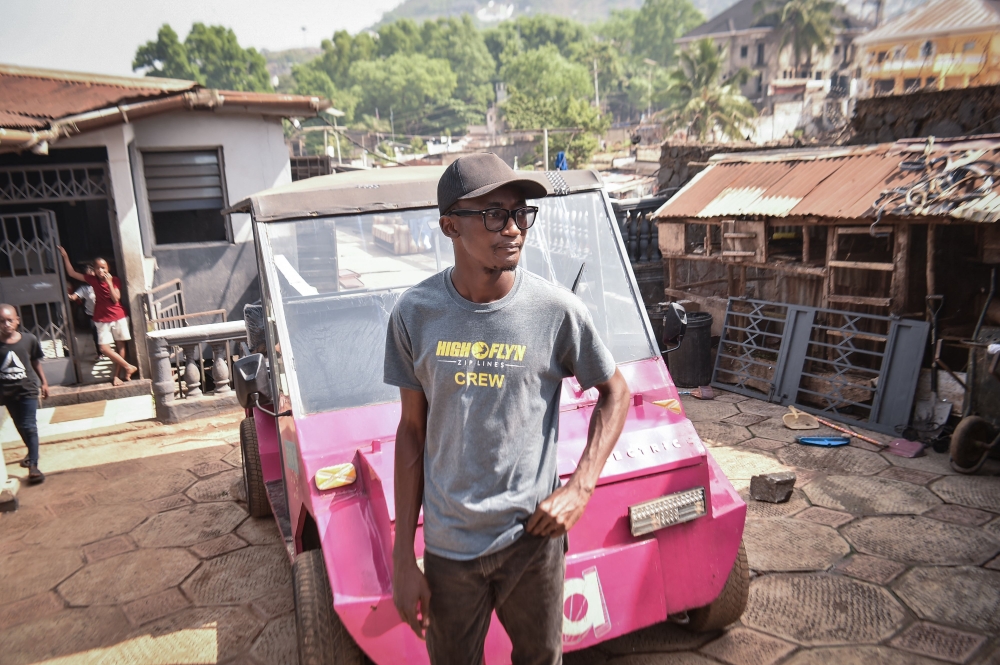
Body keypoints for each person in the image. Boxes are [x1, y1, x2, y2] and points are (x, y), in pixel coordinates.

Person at [385, 152, 631, 665]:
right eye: (495, 214)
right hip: (450, 549)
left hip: (532, 541)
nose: (514, 228)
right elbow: (411, 432)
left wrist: (580, 487)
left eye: (521, 213)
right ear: (450, 226)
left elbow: (616, 392)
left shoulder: (556, 311)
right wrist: (403, 558)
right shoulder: (414, 315)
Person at [57, 248, 136, 385]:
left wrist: (109, 283)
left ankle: (117, 375)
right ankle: (128, 366)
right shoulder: (92, 280)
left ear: (108, 268)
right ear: (94, 269)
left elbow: (115, 299)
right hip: (101, 318)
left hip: (118, 316)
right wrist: (65, 256)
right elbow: (72, 273)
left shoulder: (115, 280)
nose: (100, 270)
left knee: (120, 346)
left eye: (103, 268)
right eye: (98, 268)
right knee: (103, 348)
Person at [0, 304, 48, 484]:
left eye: (10, 320)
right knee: (19, 424)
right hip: (7, 392)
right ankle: (32, 451)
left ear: (17, 321)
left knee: (29, 425)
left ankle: (33, 466)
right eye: (2, 321)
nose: (6, 324)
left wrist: (44, 382)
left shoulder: (29, 340)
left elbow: (35, 361)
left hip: (27, 389)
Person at [68, 264, 99, 357]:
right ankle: (100, 353)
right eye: (87, 274)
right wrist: (67, 295)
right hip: (92, 314)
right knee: (96, 333)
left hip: (105, 313)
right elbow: (74, 297)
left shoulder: (101, 283)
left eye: (91, 273)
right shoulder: (84, 288)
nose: (90, 276)